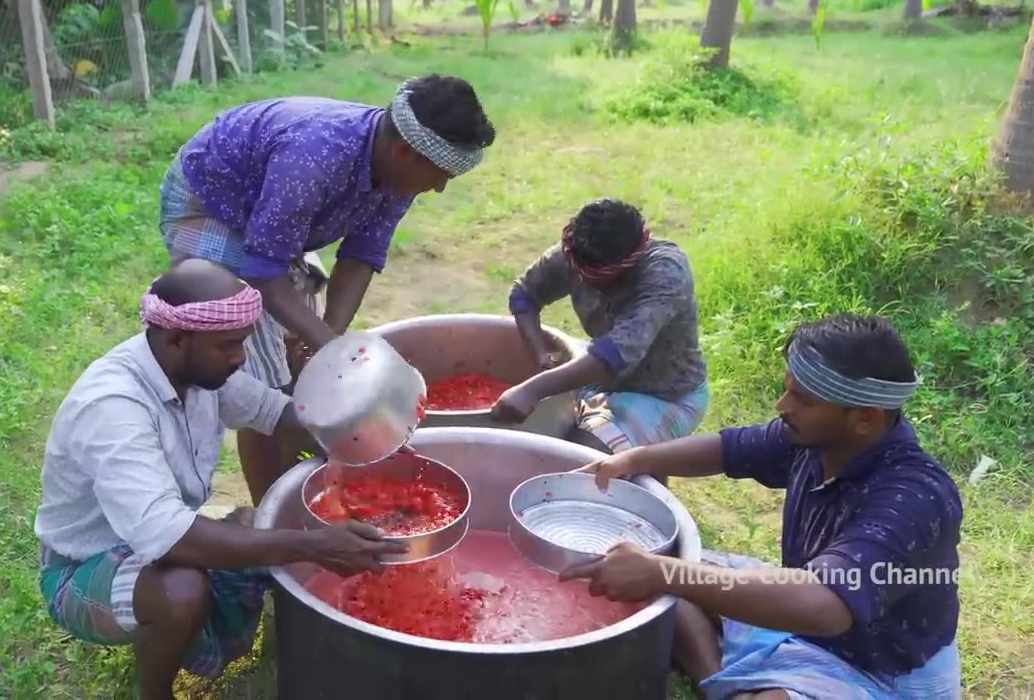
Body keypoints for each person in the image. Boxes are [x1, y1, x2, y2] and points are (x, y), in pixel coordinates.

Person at [33, 259, 409, 700]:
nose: (240, 358)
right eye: (229, 346)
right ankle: (153, 694)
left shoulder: (197, 368)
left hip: (156, 536)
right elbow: (171, 536)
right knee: (182, 591)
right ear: (176, 338)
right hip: (82, 569)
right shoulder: (114, 408)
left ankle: (255, 635)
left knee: (262, 526)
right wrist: (316, 545)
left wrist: (361, 446)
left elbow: (274, 411)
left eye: (243, 343)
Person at [565, 313, 964, 699]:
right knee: (666, 568)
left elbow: (827, 606)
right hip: (806, 613)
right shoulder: (815, 440)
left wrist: (665, 573)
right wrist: (633, 460)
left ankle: (748, 681)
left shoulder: (912, 498)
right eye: (788, 389)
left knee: (667, 575)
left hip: (880, 670)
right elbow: (728, 449)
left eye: (802, 399)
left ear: (864, 419)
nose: (782, 405)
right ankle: (717, 680)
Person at [156, 74, 496, 504]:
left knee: (302, 360)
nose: (440, 187)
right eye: (439, 174)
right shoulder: (314, 157)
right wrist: (331, 348)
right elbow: (263, 272)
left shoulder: (399, 173)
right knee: (267, 377)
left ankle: (299, 478)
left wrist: (325, 336)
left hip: (269, 222)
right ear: (405, 152)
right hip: (211, 204)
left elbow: (360, 255)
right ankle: (273, 519)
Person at [491, 198, 709, 468]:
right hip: (603, 381)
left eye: (598, 276)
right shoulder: (576, 256)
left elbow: (614, 355)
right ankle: (648, 472)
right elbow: (525, 296)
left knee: (576, 459)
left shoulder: (665, 271)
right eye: (580, 272)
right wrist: (541, 356)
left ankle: (646, 473)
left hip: (665, 394)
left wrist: (533, 389)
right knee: (541, 433)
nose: (583, 280)